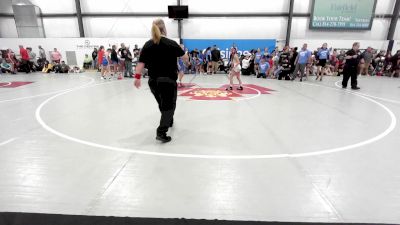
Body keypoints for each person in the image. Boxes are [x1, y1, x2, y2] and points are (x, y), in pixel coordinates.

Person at [134, 18, 186, 143]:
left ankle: (169, 120)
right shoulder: (171, 43)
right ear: (164, 29)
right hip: (167, 81)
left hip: (153, 82)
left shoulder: (148, 44)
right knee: (169, 106)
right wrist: (186, 59)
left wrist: (137, 78)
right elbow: (184, 57)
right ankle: (161, 132)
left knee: (163, 104)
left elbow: (141, 63)